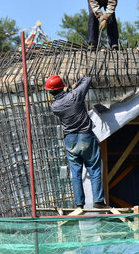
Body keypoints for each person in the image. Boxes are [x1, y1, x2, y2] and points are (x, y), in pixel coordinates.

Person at [45, 75, 107, 209]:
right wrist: (76, 83)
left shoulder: (55, 107)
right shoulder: (75, 95)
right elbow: (88, 79)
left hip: (70, 139)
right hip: (86, 136)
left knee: (76, 173)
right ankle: (98, 201)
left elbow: (64, 100)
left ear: (50, 92)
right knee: (94, 169)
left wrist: (67, 90)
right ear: (62, 86)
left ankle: (79, 203)